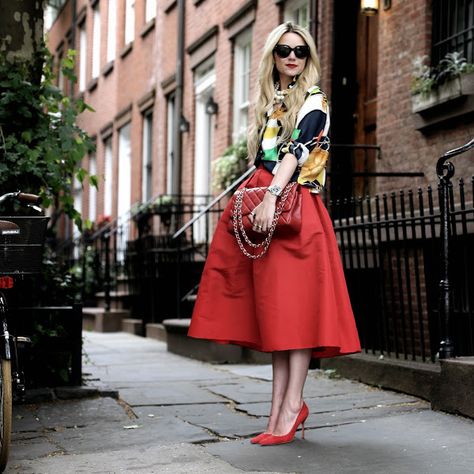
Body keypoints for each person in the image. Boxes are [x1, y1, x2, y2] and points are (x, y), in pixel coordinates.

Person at [188, 22, 361, 446]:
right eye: (284, 50)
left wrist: (269, 196)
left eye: (300, 51)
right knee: (279, 316)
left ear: (309, 58)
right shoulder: (274, 103)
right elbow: (263, 158)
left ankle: (291, 407)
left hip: (296, 213)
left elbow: (298, 152)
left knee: (296, 315)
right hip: (272, 207)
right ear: (273, 56)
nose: (292, 57)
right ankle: (277, 412)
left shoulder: (315, 99)